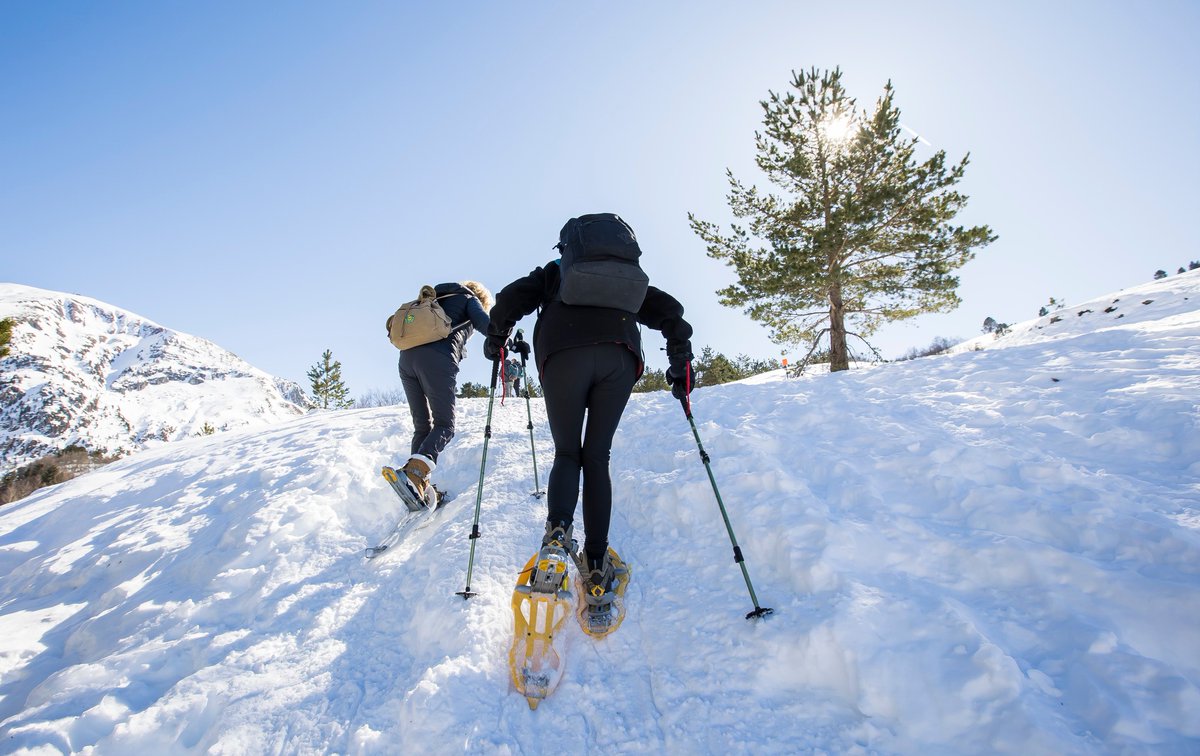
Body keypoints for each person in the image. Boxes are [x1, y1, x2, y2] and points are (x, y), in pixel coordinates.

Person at [483, 217, 694, 607]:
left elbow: (512, 298)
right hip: (619, 356)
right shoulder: (628, 280)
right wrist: (680, 356)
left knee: (567, 452)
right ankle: (596, 561)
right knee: (597, 456)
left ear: (568, 248)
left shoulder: (555, 273)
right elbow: (670, 312)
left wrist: (497, 336)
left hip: (562, 355)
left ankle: (558, 534)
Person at [395, 280, 493, 504]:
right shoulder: (469, 299)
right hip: (436, 360)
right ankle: (416, 474)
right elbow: (487, 326)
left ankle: (417, 484)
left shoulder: (435, 300)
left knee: (422, 426)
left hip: (406, 360)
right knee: (445, 425)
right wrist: (506, 340)